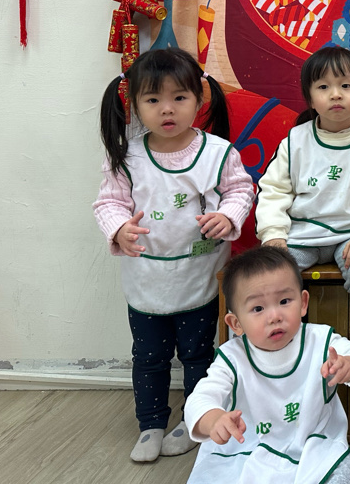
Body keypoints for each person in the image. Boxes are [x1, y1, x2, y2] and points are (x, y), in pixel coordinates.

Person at [93, 46, 255, 463]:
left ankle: (194, 418)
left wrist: (227, 216)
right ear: (134, 105)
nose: (167, 109)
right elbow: (108, 203)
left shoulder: (217, 153)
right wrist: (119, 228)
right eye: (153, 99)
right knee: (149, 357)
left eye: (179, 97)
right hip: (146, 283)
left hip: (201, 279)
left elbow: (241, 189)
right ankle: (150, 423)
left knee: (199, 356)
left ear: (199, 99)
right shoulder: (127, 157)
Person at [256, 46, 350, 348]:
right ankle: (279, 342)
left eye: (346, 86)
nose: (335, 94)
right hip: (301, 236)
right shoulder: (295, 140)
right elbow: (273, 190)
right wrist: (273, 234)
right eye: (323, 87)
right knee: (268, 276)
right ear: (310, 98)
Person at [185, 246, 350, 483]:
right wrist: (214, 420)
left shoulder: (320, 340)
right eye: (258, 308)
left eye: (284, 301)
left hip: (312, 448)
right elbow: (200, 398)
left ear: (303, 303)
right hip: (245, 451)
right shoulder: (231, 358)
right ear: (236, 324)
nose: (274, 316)